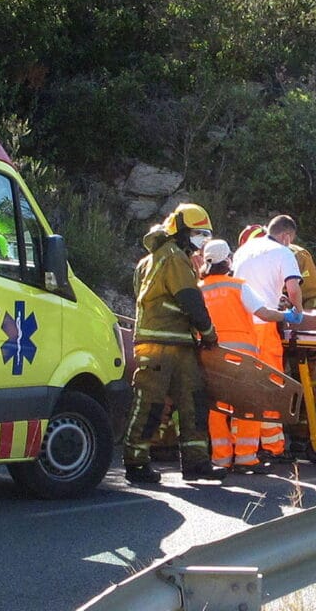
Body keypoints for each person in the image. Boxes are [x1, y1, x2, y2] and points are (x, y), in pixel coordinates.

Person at [123, 203, 227, 484]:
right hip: (160, 341)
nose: (202, 240)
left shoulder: (152, 259)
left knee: (192, 401)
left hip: (177, 342)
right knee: (151, 403)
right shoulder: (173, 257)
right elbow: (190, 299)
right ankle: (136, 461)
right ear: (181, 231)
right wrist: (209, 333)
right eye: (198, 233)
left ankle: (196, 462)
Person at [199, 239, 301, 474]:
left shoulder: (200, 289)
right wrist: (288, 315)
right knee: (247, 405)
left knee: (217, 408)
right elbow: (263, 313)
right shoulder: (238, 286)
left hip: (211, 357)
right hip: (241, 357)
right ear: (227, 261)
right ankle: (245, 457)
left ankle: (221, 459)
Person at [233, 214, 306, 461]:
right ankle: (272, 446)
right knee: (272, 385)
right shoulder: (284, 253)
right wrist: (297, 312)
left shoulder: (245, 249)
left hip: (240, 326)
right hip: (264, 325)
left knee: (243, 387)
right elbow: (293, 288)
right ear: (286, 236)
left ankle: (239, 444)